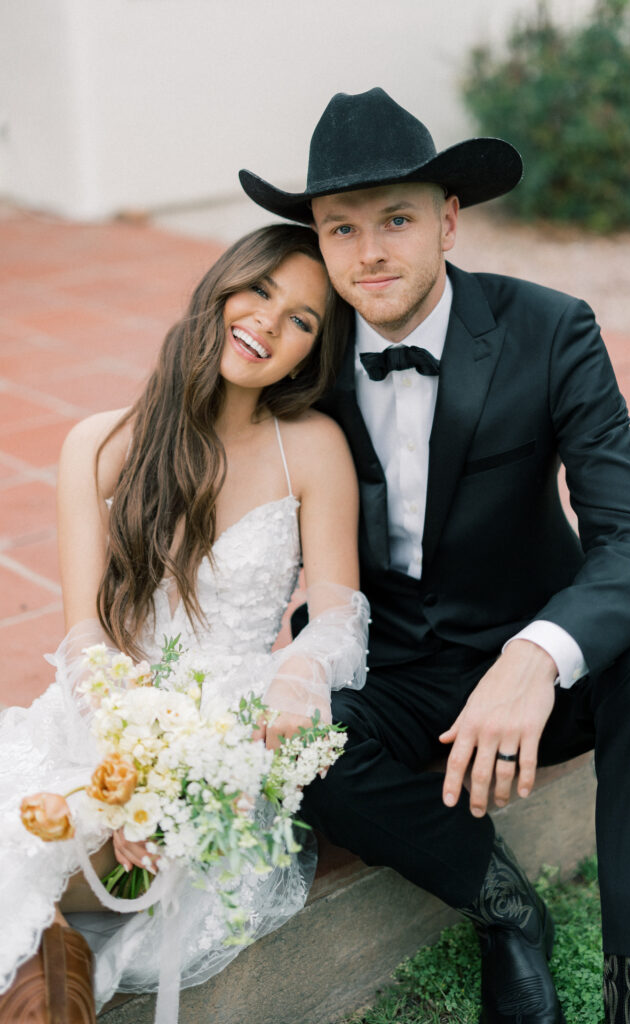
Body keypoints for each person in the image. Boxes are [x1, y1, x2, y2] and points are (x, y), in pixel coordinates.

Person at [239, 87, 630, 1024]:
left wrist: (536, 654)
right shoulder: (305, 358)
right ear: (316, 242)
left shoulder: (549, 329)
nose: (369, 254)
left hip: (537, 668)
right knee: (296, 747)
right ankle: (501, 909)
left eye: (396, 219)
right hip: (395, 671)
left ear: (448, 220)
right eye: (340, 228)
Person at [0, 223, 370, 1021]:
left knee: (135, 860)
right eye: (260, 291)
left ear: (312, 353)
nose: (269, 324)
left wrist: (301, 671)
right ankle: (48, 958)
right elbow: (86, 636)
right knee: (38, 829)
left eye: (302, 320)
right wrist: (129, 771)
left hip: (227, 752)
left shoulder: (309, 446)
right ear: (221, 287)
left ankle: (53, 954)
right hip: (106, 720)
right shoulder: (97, 443)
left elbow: (339, 612)